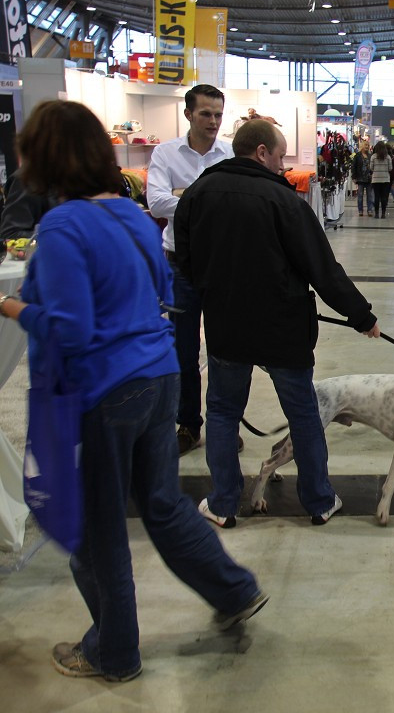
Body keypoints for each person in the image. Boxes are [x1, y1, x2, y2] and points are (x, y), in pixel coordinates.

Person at [0, 100, 266, 683]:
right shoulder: (131, 214)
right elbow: (153, 290)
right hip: (159, 374)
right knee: (162, 503)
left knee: (98, 533)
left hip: (106, 389)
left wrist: (14, 306)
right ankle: (233, 589)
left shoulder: (64, 225)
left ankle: (113, 651)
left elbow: (71, 328)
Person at [174, 119, 381, 528]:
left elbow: (186, 262)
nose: (284, 164)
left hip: (226, 327)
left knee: (221, 412)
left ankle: (222, 504)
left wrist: (210, 300)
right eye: (281, 155)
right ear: (261, 152)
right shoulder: (284, 202)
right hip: (283, 329)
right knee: (303, 412)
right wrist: (361, 316)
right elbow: (322, 268)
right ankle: (319, 501)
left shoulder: (197, 194)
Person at [147, 84, 232, 455]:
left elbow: (236, 204)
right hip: (179, 265)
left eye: (217, 114)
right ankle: (188, 423)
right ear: (188, 115)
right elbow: (156, 202)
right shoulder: (165, 154)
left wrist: (184, 194)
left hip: (222, 265)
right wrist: (207, 197)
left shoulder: (230, 155)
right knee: (183, 350)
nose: (213, 121)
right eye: (205, 114)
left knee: (225, 350)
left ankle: (223, 426)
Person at [368, 141, 392, 219]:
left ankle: (377, 214)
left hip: (375, 179)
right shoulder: (388, 157)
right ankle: (383, 214)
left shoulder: (373, 157)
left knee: (377, 197)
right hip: (386, 179)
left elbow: (371, 168)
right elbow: (390, 168)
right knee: (384, 197)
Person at [351, 142, 374, 216]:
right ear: (362, 146)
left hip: (369, 178)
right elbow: (353, 166)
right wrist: (354, 177)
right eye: (365, 145)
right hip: (360, 178)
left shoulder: (370, 156)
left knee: (369, 196)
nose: (367, 146)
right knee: (360, 196)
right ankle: (360, 210)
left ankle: (369, 210)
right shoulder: (357, 156)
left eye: (368, 145)